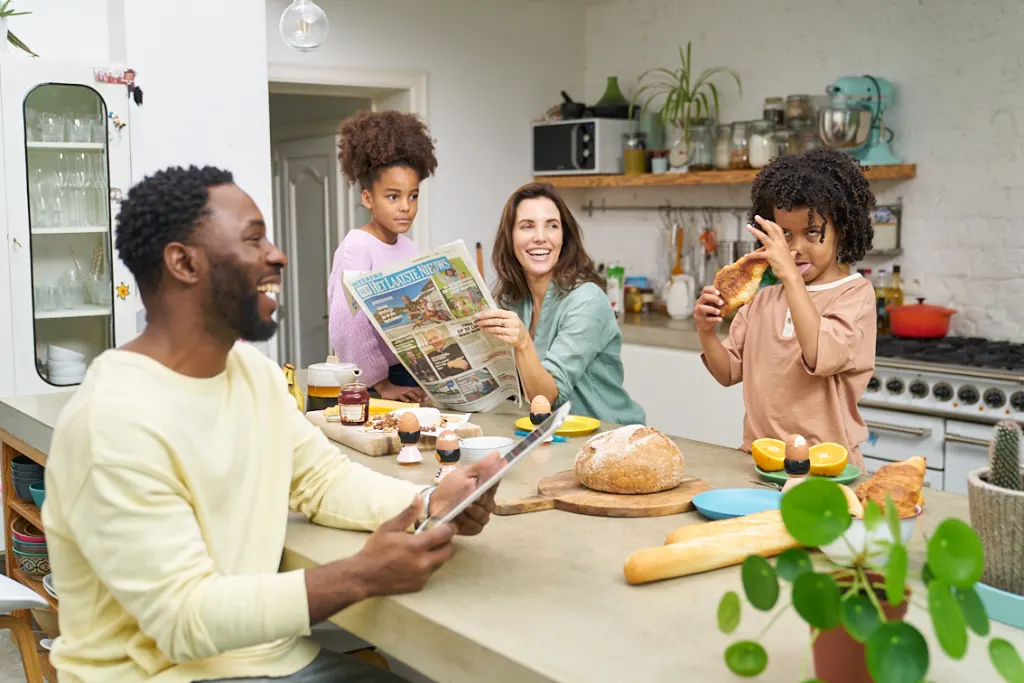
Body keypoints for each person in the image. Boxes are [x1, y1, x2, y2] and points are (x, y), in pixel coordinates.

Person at [40, 165, 505, 683]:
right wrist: (359, 575)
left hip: (268, 659)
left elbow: (322, 480)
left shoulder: (252, 377)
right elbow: (184, 619)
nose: (278, 255)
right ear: (183, 263)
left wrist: (430, 504)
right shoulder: (113, 422)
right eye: (253, 239)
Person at [694, 148, 877, 468]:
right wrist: (706, 330)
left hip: (826, 467)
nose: (796, 249)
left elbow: (820, 354)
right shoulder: (763, 300)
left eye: (811, 233)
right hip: (760, 459)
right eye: (785, 235)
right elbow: (727, 372)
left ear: (841, 233)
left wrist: (791, 277)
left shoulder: (854, 295)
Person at [474, 183, 645, 425]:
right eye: (527, 226)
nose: (541, 238)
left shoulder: (587, 300)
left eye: (552, 226)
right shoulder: (513, 300)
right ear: (510, 237)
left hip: (605, 437)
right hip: (548, 436)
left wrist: (523, 342)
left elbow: (545, 398)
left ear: (564, 238)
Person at [327, 110, 437, 403]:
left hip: (414, 373)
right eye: (393, 196)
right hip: (378, 382)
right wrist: (380, 384)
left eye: (413, 196)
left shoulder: (410, 248)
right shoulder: (356, 249)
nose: (406, 207)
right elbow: (348, 326)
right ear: (367, 199)